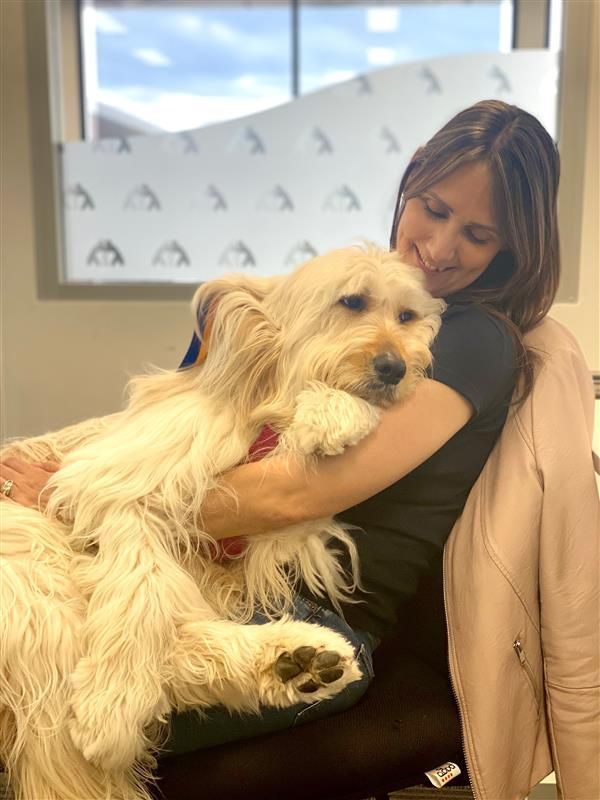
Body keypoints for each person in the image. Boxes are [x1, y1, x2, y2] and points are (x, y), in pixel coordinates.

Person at [0, 100, 561, 752]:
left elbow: (293, 493)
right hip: (206, 570)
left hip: (296, 609)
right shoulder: (354, 289)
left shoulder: (472, 341)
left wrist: (80, 498)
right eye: (433, 209)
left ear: (514, 245)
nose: (439, 247)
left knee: (34, 696)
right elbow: (210, 395)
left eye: (478, 235)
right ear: (410, 179)